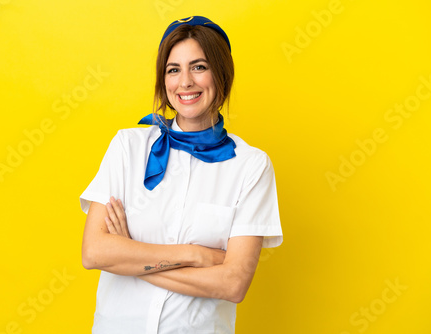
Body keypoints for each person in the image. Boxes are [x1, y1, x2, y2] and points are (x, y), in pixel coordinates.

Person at [80, 16, 283, 334]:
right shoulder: (127, 147)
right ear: (164, 80)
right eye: (173, 70)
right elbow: (94, 252)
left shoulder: (251, 166)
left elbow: (232, 284)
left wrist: (130, 256)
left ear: (222, 74)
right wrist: (197, 255)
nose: (185, 82)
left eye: (199, 67)